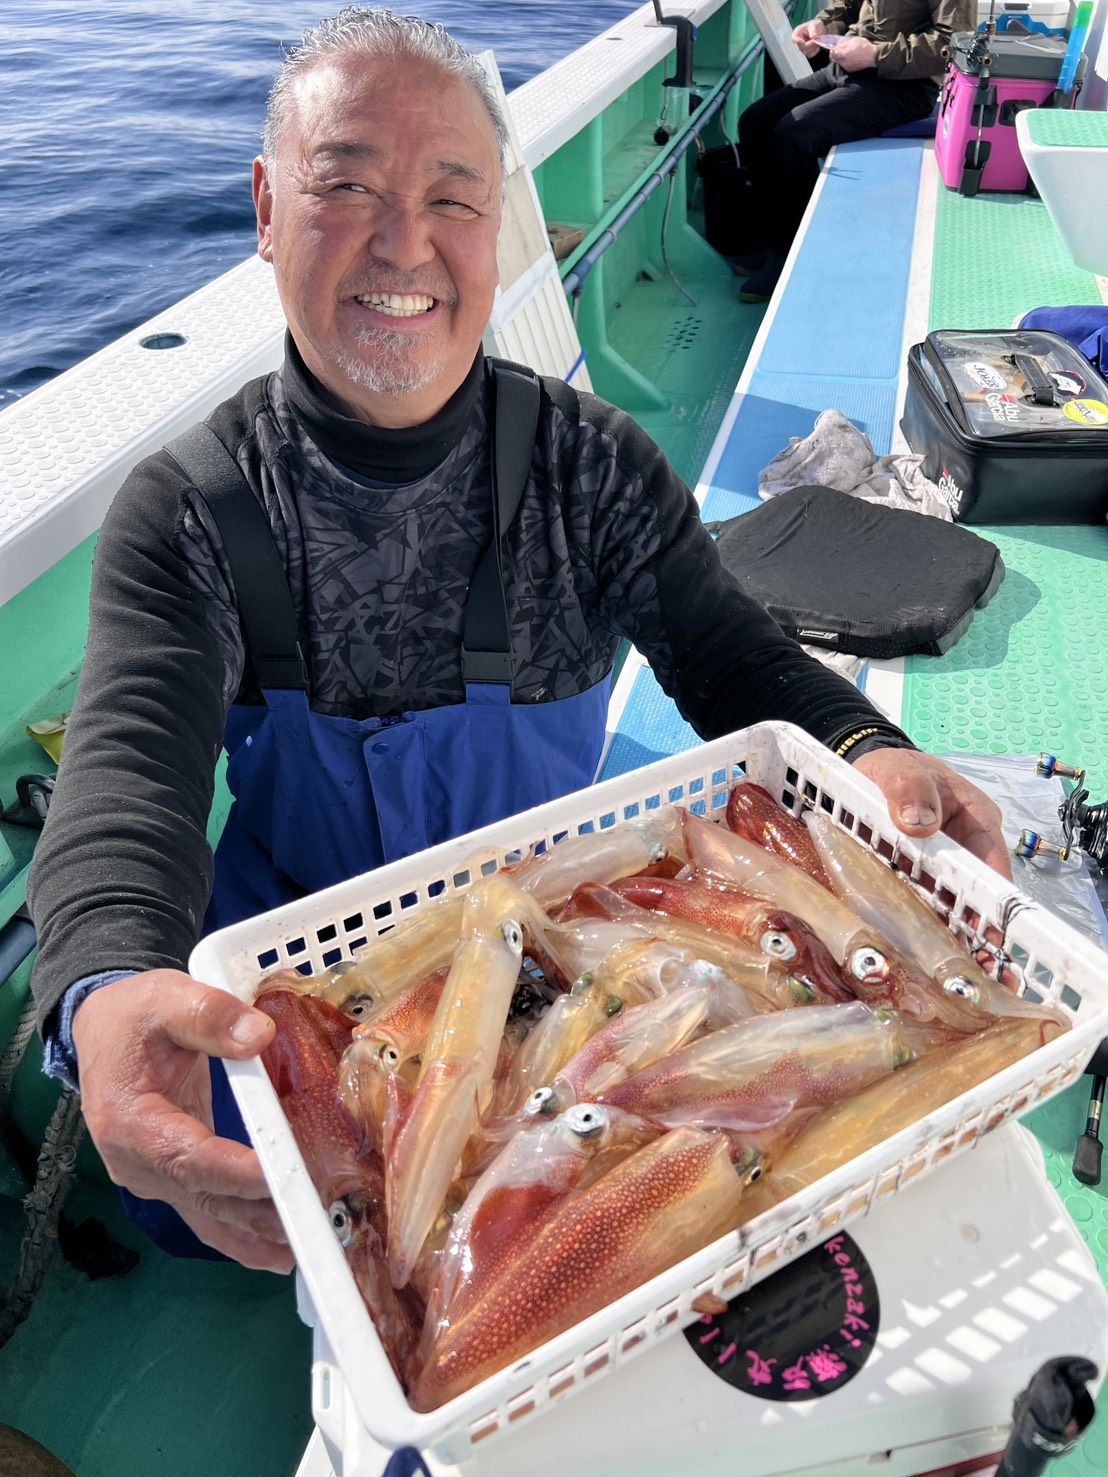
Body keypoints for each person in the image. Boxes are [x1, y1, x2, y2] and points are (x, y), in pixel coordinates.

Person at [27, 6, 1007, 1277]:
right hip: (303, 985)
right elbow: (127, 774)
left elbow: (729, 658)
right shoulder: (196, 505)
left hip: (545, 950)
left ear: (498, 227)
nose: (404, 243)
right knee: (234, 1196)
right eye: (346, 184)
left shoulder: (591, 465)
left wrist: (867, 746)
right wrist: (104, 982)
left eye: (452, 197)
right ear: (267, 207)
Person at [734, 0, 974, 302]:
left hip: (904, 88)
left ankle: (794, 257)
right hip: (846, 70)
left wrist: (875, 55)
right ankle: (776, 240)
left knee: (792, 135)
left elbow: (952, 44)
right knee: (755, 122)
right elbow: (847, 5)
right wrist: (822, 25)